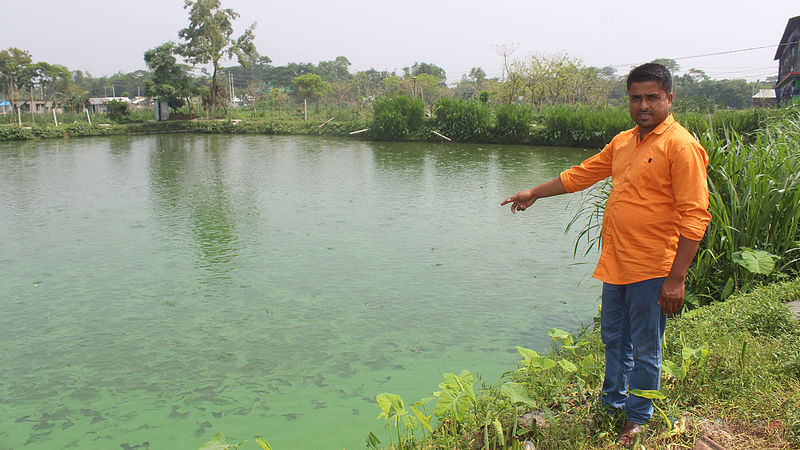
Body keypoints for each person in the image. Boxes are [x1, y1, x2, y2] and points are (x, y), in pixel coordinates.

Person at [500, 63, 711, 445]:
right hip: (617, 263)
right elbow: (581, 174)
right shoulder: (624, 141)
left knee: (646, 347)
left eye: (652, 97)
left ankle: (638, 417)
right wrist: (534, 192)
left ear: (669, 99)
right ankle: (611, 403)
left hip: (653, 267)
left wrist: (676, 277)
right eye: (636, 98)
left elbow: (696, 216)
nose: (643, 105)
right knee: (614, 338)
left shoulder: (680, 146)